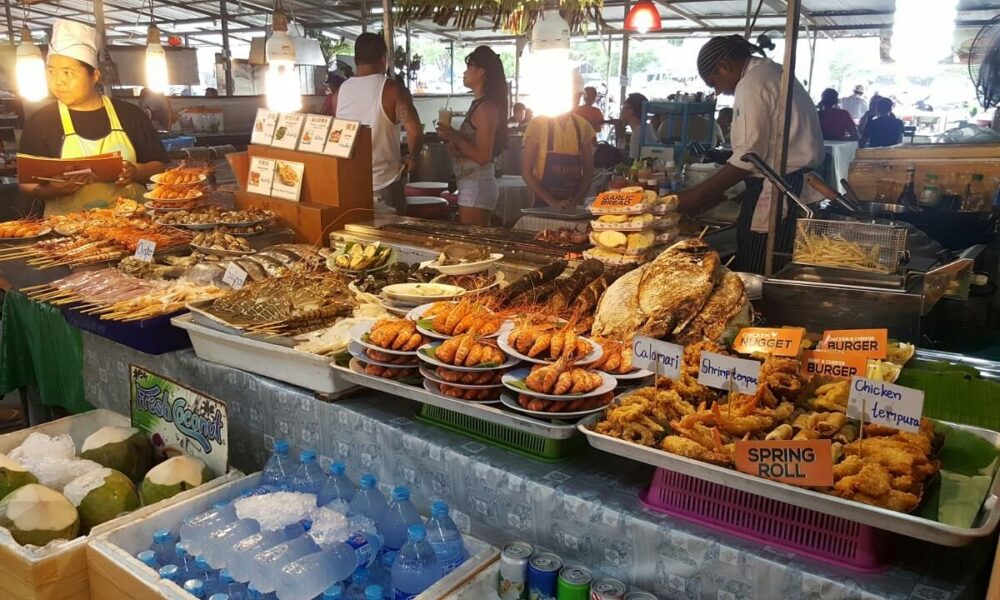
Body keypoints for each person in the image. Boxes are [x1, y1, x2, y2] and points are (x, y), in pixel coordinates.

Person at [675, 35, 823, 274]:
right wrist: (720, 193)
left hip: (781, 189)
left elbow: (747, 156)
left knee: (758, 274)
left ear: (725, 66)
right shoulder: (771, 72)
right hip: (793, 184)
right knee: (778, 270)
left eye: (715, 83)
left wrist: (694, 196)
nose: (720, 91)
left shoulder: (751, 82)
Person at [19, 20, 167, 216]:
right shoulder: (40, 121)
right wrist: (51, 190)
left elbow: (159, 166)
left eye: (68, 72)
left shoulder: (130, 115)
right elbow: (26, 182)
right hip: (65, 236)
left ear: (94, 76)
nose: (58, 81)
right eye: (51, 72)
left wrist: (136, 171)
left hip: (133, 226)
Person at [337, 33, 423, 215]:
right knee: (392, 239)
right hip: (385, 184)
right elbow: (415, 132)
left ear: (355, 59)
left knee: (359, 241)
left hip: (352, 184)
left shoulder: (343, 89)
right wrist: (413, 158)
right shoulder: (391, 88)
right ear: (383, 58)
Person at [435, 46, 507, 226]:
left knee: (476, 246)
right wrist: (453, 142)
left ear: (481, 72)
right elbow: (474, 149)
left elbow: (483, 156)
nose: (465, 72)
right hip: (471, 184)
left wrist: (455, 136)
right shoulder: (479, 105)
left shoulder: (485, 108)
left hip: (477, 186)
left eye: (469, 67)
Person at [521, 73, 596, 210]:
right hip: (542, 206)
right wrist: (553, 202)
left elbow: (588, 172)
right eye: (573, 96)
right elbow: (526, 172)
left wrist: (576, 201)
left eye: (577, 97)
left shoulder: (583, 126)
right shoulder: (538, 125)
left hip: (573, 205)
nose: (575, 101)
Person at [618, 92, 657, 160]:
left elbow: (633, 162)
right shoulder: (647, 127)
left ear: (630, 111)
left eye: (623, 107)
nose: (621, 111)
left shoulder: (637, 134)